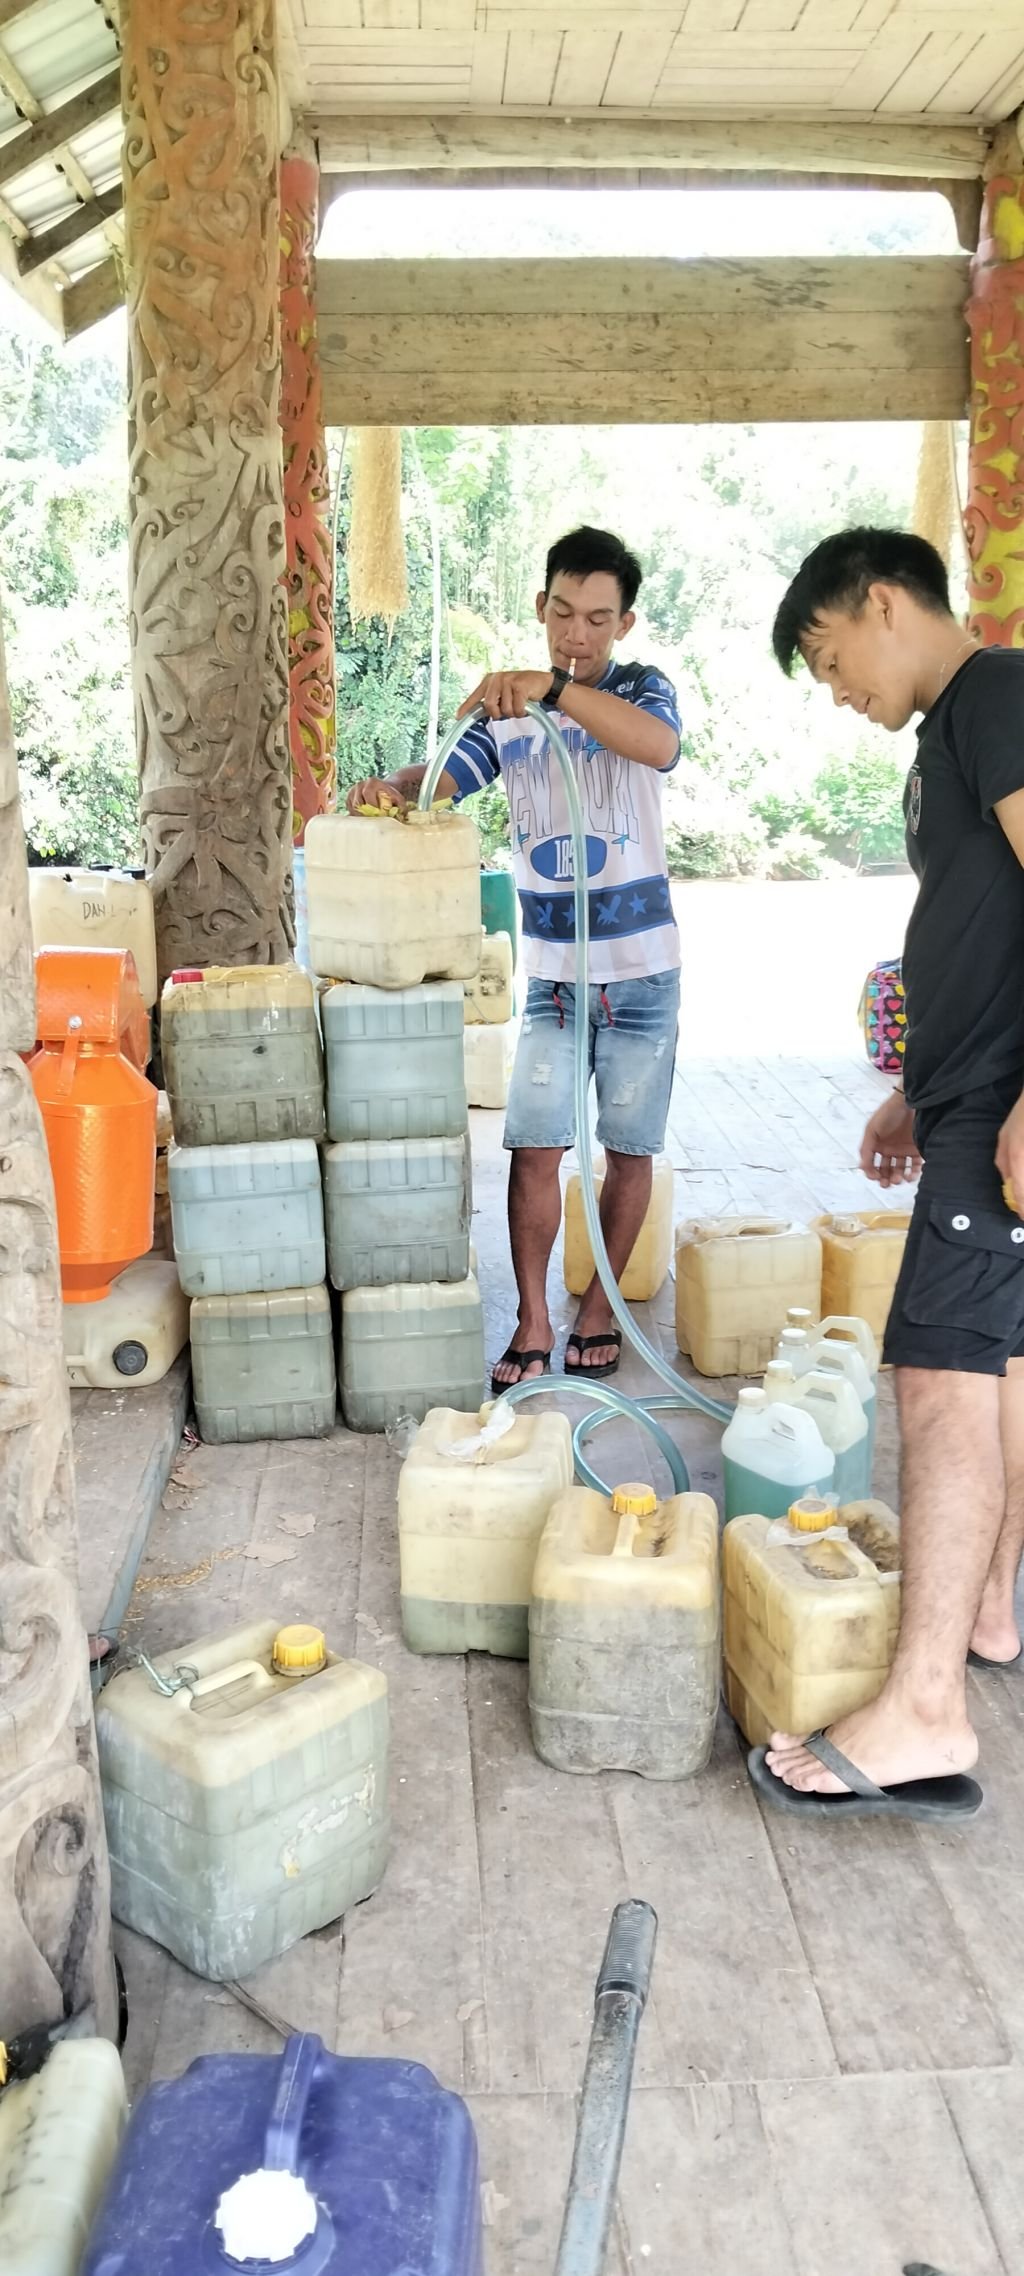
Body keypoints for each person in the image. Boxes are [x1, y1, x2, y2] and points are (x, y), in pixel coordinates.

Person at [751, 525, 1024, 1823]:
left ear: (880, 602)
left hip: (1003, 1103)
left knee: (937, 1377)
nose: (835, 690)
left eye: (827, 657)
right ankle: (990, 1605)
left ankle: (923, 1706)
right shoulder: (953, 732)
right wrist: (918, 1085)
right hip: (968, 1094)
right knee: (1001, 1365)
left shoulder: (998, 693)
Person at [347, 524, 682, 1393]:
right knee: (534, 1147)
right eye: (563, 613)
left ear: (624, 624)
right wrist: (397, 787)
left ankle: (599, 1310)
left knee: (629, 1149)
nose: (578, 633)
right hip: (556, 979)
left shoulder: (641, 689)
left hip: (643, 971)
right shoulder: (511, 712)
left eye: (598, 619)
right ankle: (533, 1320)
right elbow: (444, 779)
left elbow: (658, 747)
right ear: (541, 606)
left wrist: (556, 688)